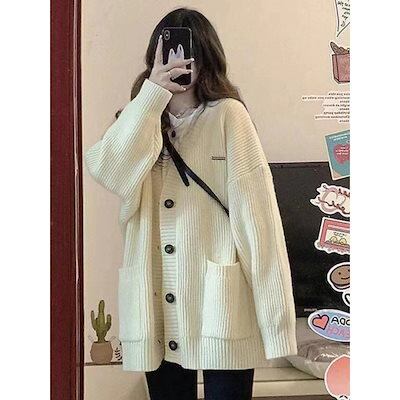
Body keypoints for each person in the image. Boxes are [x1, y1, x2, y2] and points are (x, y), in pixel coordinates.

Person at [84, 7, 297, 400]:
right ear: (154, 58)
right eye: (168, 54)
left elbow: (259, 222)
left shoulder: (229, 116)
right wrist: (152, 96)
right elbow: (107, 171)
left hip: (221, 306)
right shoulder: (138, 119)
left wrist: (277, 325)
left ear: (206, 58)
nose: (179, 64)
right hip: (155, 308)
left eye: (189, 54)